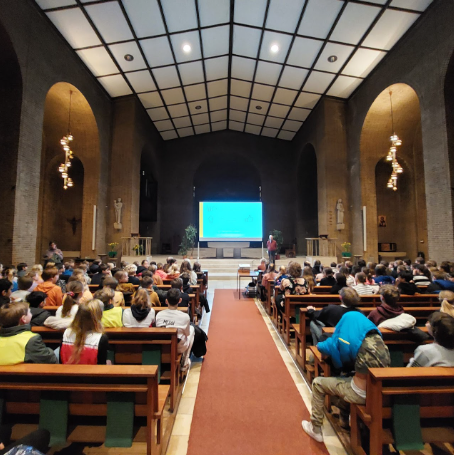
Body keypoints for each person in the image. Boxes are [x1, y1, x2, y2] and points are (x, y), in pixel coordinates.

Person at [302, 311, 390, 441]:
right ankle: (344, 417)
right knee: (347, 378)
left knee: (318, 383)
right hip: (382, 394)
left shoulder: (348, 340)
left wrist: (320, 345)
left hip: (361, 394)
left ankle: (315, 428)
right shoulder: (376, 339)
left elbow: (329, 348)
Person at [155, 288, 194, 371]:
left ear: (166, 301)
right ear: (180, 300)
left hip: (163, 345)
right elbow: (187, 334)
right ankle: (185, 362)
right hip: (178, 346)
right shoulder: (185, 316)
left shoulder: (159, 315)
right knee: (192, 330)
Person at [60, 299, 109, 365]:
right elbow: (101, 365)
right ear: (98, 317)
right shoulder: (100, 338)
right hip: (91, 374)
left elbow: (61, 360)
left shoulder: (66, 333)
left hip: (65, 373)